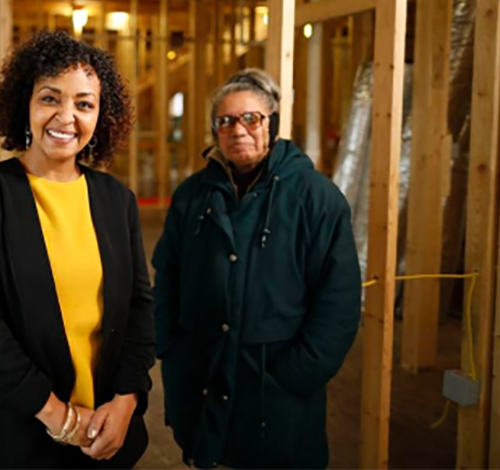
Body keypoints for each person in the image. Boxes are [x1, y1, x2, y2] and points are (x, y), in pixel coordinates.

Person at [0, 31, 155, 470]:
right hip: (17, 435)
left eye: (84, 103)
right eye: (50, 99)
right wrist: (60, 418)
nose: (66, 116)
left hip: (106, 432)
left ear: (101, 115)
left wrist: (127, 400)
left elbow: (139, 309)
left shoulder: (116, 199)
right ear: (26, 104)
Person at [153, 69, 361, 469]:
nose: (238, 130)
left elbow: (339, 303)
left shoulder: (316, 199)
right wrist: (173, 350)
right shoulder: (192, 196)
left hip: (275, 394)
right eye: (225, 121)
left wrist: (291, 378)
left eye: (252, 118)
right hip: (202, 381)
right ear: (215, 130)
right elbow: (168, 277)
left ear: (274, 124)